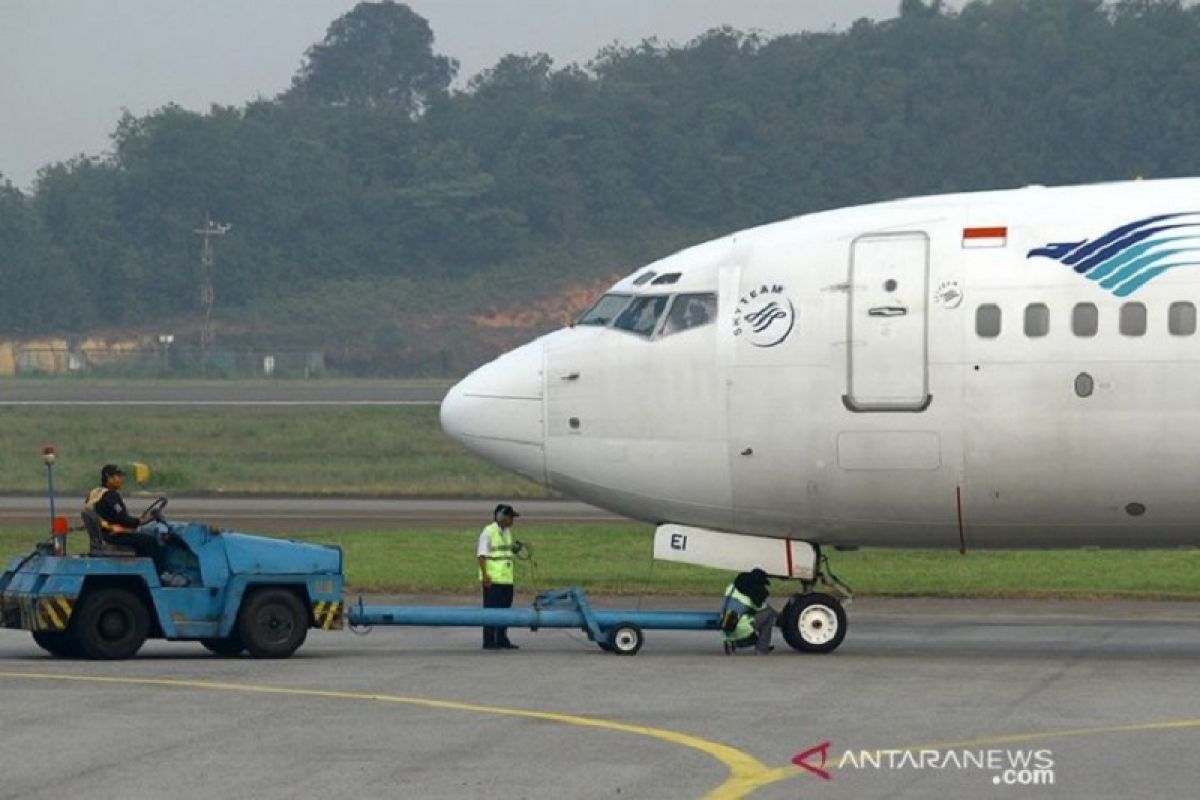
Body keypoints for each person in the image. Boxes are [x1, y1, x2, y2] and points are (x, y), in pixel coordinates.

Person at [85, 464, 184, 586]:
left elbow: (113, 516)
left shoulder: (95, 493)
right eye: (118, 476)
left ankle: (147, 574)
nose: (121, 479)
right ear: (108, 477)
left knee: (141, 540)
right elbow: (123, 519)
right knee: (150, 542)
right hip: (114, 536)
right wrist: (140, 521)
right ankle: (162, 575)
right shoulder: (111, 495)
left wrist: (138, 520)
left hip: (104, 535)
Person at [478, 503, 519, 650]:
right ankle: (489, 641)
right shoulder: (488, 532)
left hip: (507, 579)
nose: (512, 520)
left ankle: (502, 639)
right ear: (501, 517)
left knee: (505, 611)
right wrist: (485, 576)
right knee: (491, 611)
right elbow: (482, 556)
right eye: (510, 517)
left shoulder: (507, 532)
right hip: (493, 580)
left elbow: (503, 552)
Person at [720, 567, 776, 655]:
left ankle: (730, 643)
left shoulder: (732, 587)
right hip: (739, 630)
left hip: (725, 627)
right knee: (769, 614)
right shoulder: (752, 596)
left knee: (744, 617)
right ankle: (761, 649)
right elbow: (766, 609)